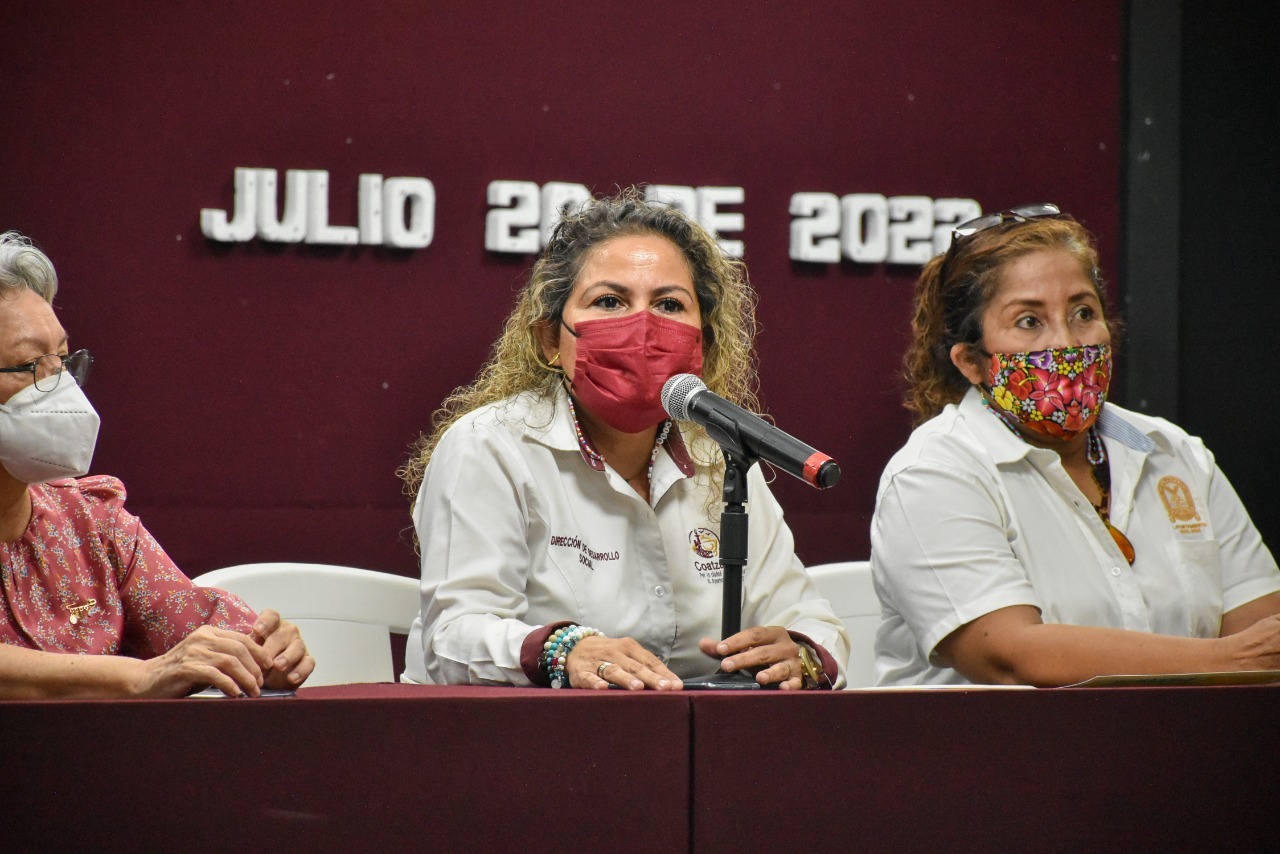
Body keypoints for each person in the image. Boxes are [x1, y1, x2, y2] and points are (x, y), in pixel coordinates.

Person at [399, 190, 848, 689]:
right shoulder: (489, 446)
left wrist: (800, 653)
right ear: (550, 339)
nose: (644, 327)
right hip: (517, 731)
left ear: (703, 341)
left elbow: (812, 619)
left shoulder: (722, 453)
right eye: (609, 301)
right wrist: (564, 651)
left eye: (669, 304)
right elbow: (452, 638)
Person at [870, 204, 1280, 686]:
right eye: (1029, 321)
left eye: (1083, 313)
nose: (1066, 343)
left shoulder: (1174, 453)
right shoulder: (934, 473)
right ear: (971, 362)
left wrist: (1243, 658)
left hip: (1188, 735)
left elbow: (1264, 639)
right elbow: (1011, 655)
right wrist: (1226, 659)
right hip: (1004, 737)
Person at [0, 231, 314, 699]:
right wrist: (139, 678)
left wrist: (262, 651)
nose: (60, 387)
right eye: (29, 365)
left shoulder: (92, 523)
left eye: (62, 361)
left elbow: (197, 627)